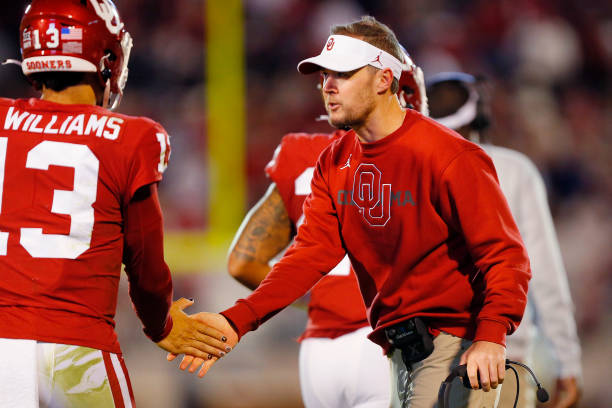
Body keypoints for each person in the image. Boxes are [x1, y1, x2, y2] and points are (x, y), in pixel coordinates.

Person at [178, 16, 530, 408]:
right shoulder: (336, 159)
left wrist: (490, 337)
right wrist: (235, 321)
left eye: (343, 74)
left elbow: (505, 255)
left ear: (384, 80)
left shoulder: (449, 154)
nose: (328, 86)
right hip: (397, 347)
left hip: (453, 343)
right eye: (325, 75)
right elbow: (310, 254)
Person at [0, 1, 228, 407]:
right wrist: (161, 324)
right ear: (104, 57)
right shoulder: (130, 137)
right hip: (77, 348)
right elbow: (145, 261)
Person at [226, 54, 427, 408]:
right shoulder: (416, 156)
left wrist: (319, 297)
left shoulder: (304, 154)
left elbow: (243, 262)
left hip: (319, 356)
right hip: (384, 342)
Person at [426, 72, 582, 408]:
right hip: (500, 362)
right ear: (480, 114)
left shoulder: (402, 171)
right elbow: (545, 276)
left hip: (417, 359)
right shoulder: (513, 170)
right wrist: (567, 363)